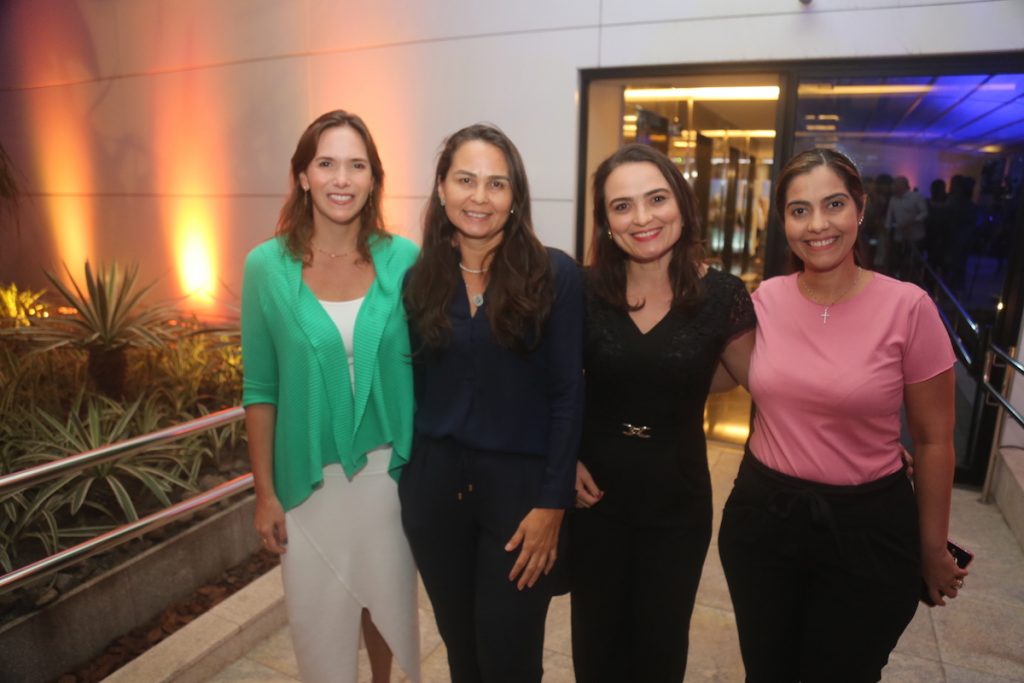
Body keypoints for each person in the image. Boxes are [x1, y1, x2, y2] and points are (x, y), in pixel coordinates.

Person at [718, 148, 967, 683]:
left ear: (859, 209)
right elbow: (702, 374)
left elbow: (933, 440)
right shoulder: (763, 300)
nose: (818, 225)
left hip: (868, 531)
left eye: (833, 204)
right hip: (763, 522)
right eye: (799, 210)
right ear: (782, 219)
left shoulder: (909, 307)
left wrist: (931, 547)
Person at [400, 123, 584, 683]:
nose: (480, 197)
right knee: (462, 652)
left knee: (510, 657)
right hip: (434, 492)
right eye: (465, 180)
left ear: (515, 197)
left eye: (496, 184)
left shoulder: (554, 274)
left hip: (521, 497)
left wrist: (553, 502)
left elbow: (567, 393)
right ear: (440, 188)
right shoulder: (418, 279)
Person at [241, 110, 420, 683]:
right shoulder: (265, 267)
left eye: (356, 165)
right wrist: (265, 493)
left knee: (387, 608)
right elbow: (261, 390)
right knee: (318, 621)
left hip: (388, 477)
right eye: (326, 164)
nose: (341, 178)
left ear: (373, 180)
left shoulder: (406, 259)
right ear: (302, 176)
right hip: (308, 485)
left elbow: (435, 367)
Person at [571, 143, 755, 682]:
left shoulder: (722, 294)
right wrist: (560, 460)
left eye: (656, 198)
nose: (643, 217)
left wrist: (865, 434)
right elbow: (549, 390)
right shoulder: (581, 291)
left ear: (682, 202)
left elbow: (764, 381)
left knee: (659, 648)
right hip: (594, 499)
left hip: (677, 499)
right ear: (606, 221)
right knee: (596, 648)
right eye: (622, 205)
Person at [885, 175, 928, 277]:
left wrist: (914, 221)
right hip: (899, 236)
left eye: (895, 184)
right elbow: (889, 215)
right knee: (899, 259)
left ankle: (914, 279)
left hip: (915, 236)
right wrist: (887, 229)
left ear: (902, 185)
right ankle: (901, 277)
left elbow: (924, 212)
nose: (893, 186)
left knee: (914, 261)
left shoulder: (916, 197)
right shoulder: (893, 199)